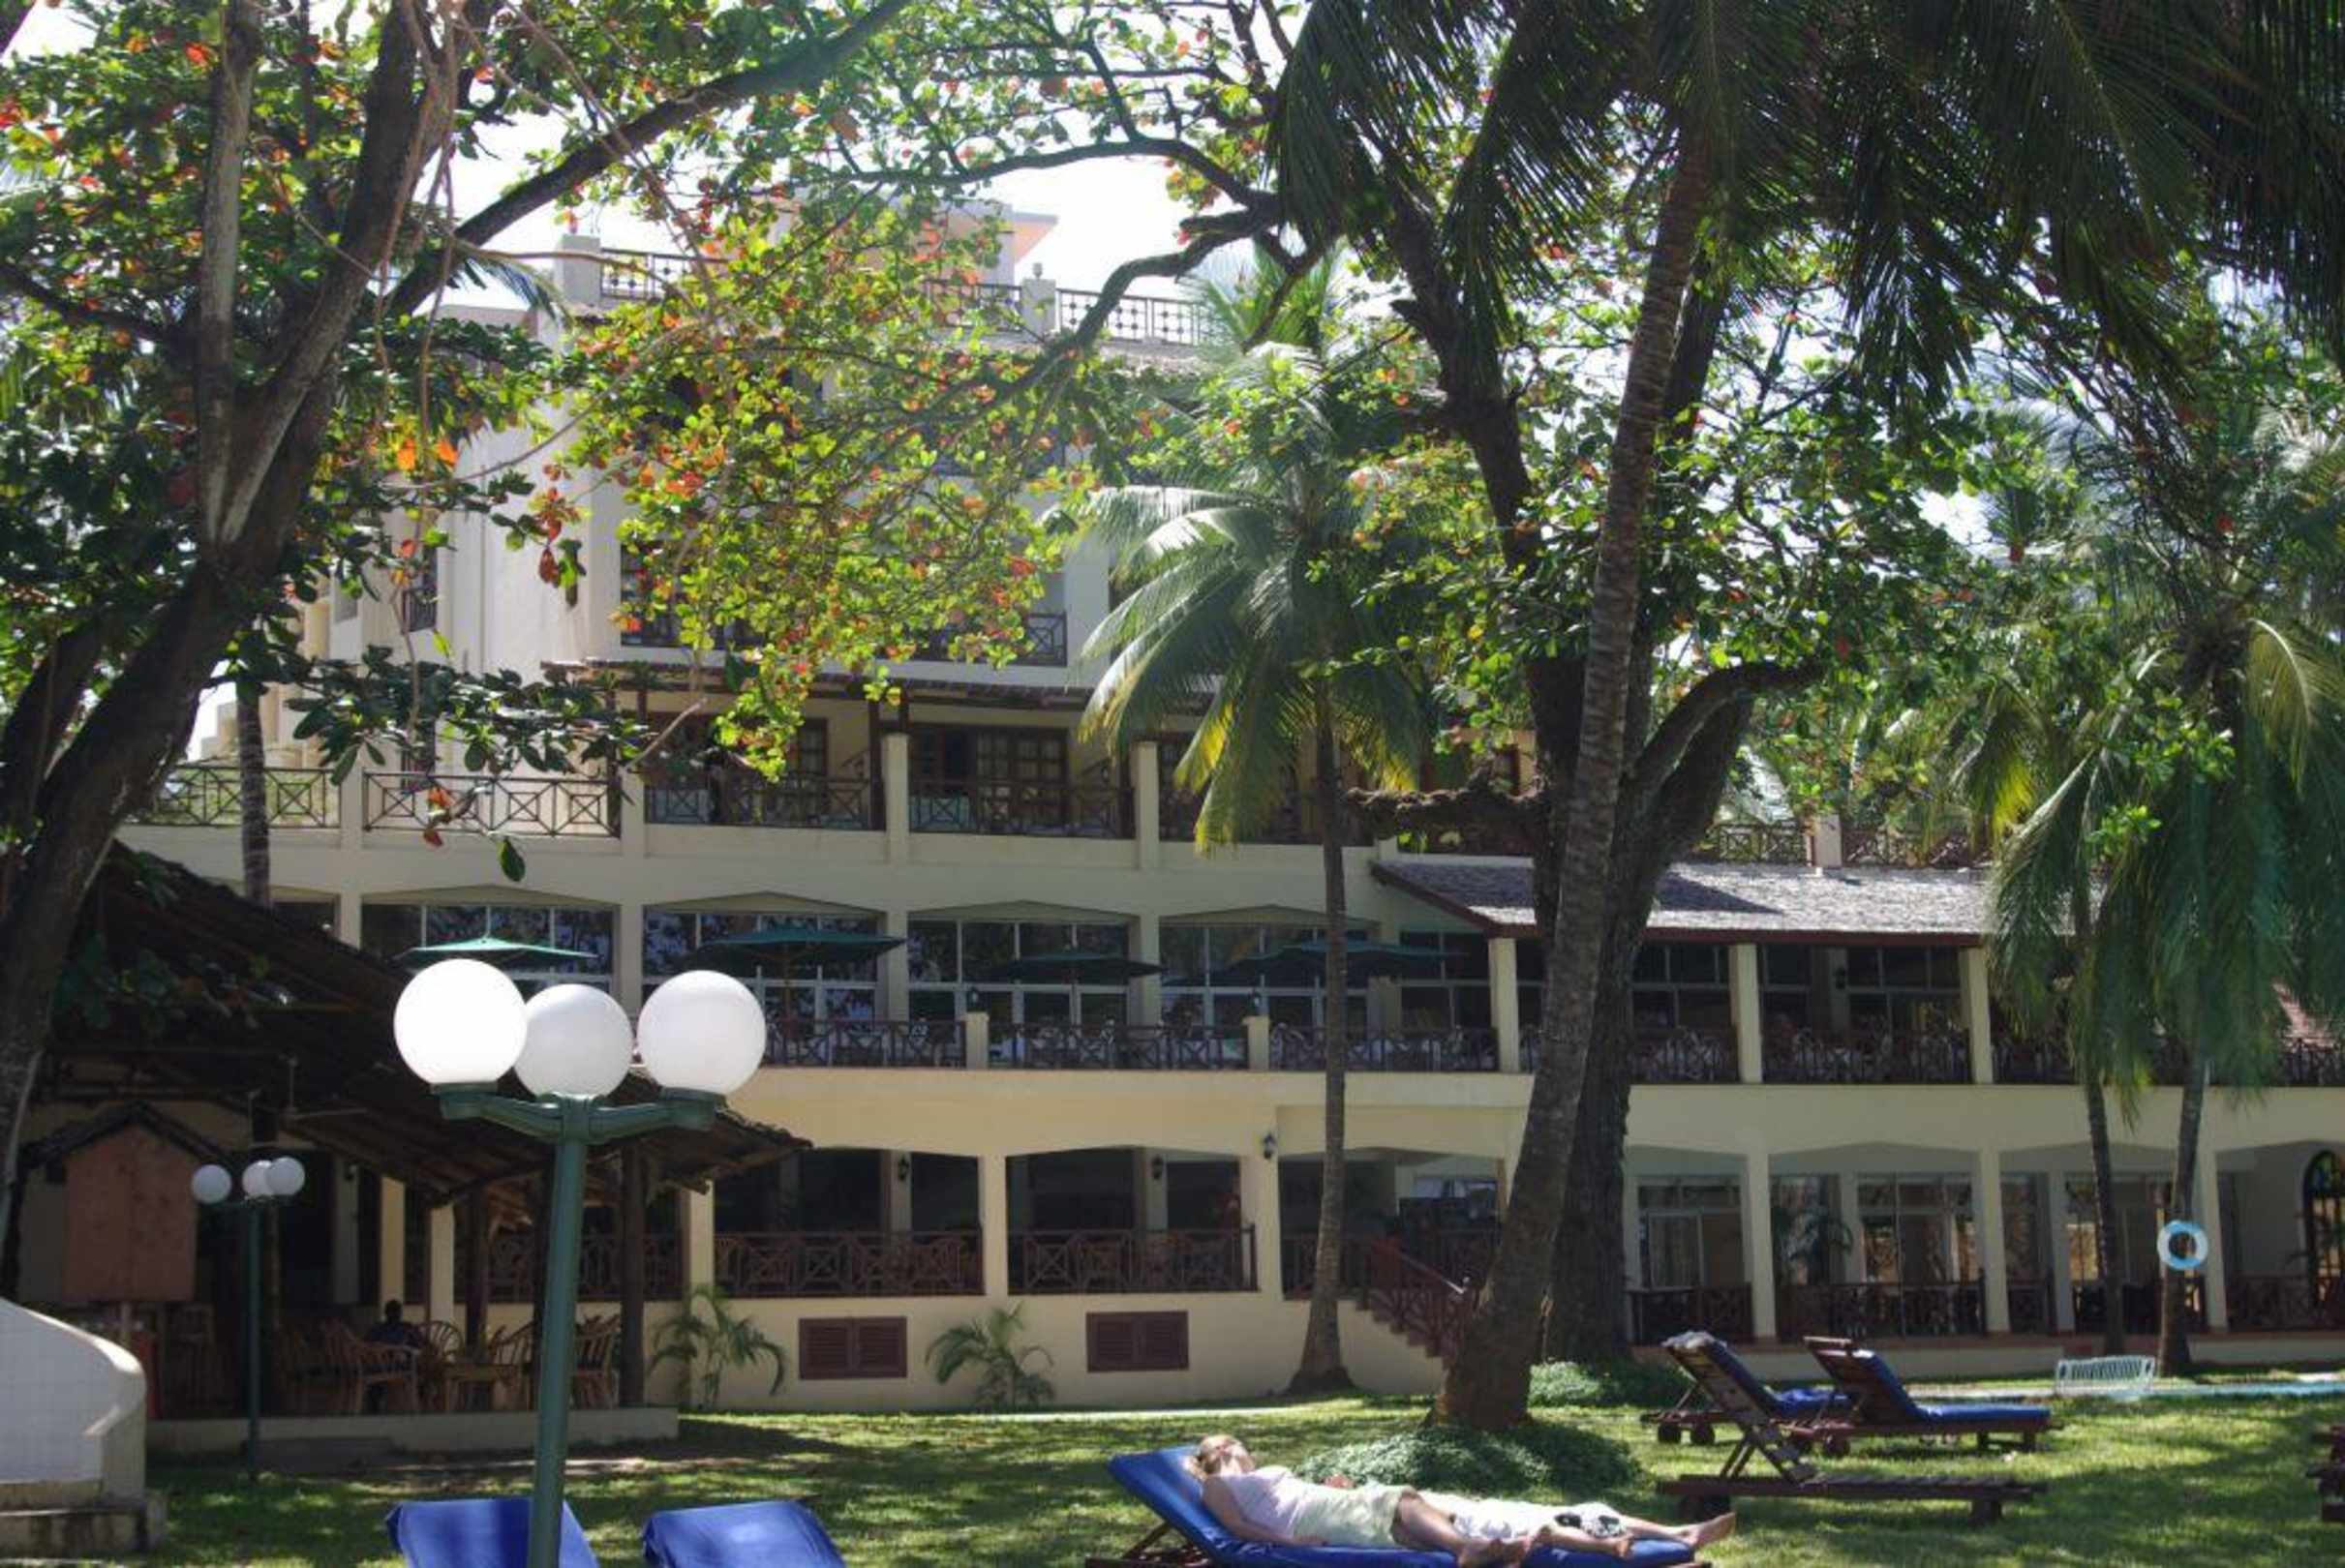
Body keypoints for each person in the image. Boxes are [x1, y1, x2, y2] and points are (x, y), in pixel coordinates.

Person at [1187, 1434, 1732, 1563]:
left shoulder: (1272, 1472)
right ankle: (1467, 1550)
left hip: (1335, 1505)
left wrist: (1339, 1489)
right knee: (1404, 1499)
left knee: (1508, 1513)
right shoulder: (1217, 1484)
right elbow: (1237, 1530)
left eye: (1238, 1443)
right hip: (1313, 1520)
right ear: (1216, 1455)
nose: (1239, 1448)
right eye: (1230, 1445)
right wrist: (1290, 1544)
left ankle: (1670, 1532)